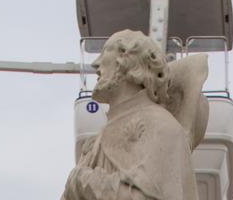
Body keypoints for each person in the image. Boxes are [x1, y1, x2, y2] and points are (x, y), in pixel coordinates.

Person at [62, 31, 201, 200]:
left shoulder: (160, 125)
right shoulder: (96, 142)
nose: (96, 64)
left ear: (127, 60)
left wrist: (83, 181)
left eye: (106, 51)